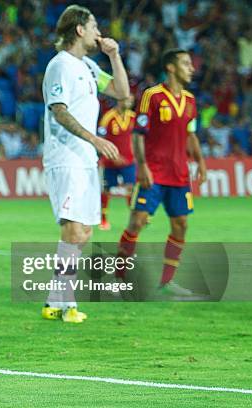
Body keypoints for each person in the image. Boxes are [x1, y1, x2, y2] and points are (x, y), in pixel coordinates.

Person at [40, 5, 129, 323]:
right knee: (74, 230)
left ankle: (54, 301)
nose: (98, 32)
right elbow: (59, 110)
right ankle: (67, 306)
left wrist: (114, 55)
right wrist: (95, 139)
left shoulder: (89, 65)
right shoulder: (60, 65)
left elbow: (122, 92)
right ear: (79, 29)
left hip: (85, 160)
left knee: (84, 231)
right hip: (66, 158)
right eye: (93, 26)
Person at [115, 49, 207, 297]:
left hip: (179, 174)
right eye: (186, 64)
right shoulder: (151, 96)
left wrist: (200, 160)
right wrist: (142, 165)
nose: (192, 68)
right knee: (138, 221)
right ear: (171, 68)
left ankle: (167, 283)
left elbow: (191, 134)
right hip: (153, 172)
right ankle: (119, 277)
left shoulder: (189, 100)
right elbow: (137, 134)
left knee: (181, 225)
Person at [98, 95, 136, 231]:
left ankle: (135, 219)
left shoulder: (133, 117)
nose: (130, 102)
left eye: (131, 100)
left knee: (131, 189)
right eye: (127, 99)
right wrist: (112, 156)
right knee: (106, 190)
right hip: (110, 162)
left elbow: (137, 138)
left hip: (128, 161)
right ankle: (103, 220)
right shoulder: (108, 117)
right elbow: (101, 139)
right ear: (120, 100)